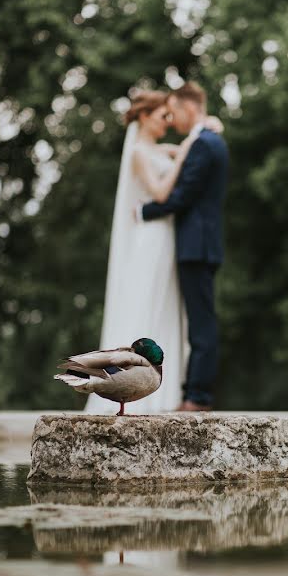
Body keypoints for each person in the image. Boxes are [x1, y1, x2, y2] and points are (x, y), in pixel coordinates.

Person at [84, 90, 190, 414]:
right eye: (162, 117)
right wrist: (181, 160)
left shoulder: (156, 150)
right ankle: (138, 388)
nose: (167, 124)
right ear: (144, 117)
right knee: (146, 302)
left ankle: (164, 389)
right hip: (151, 239)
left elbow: (183, 145)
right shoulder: (139, 154)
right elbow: (158, 193)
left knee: (166, 306)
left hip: (165, 235)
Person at [139, 82, 229, 411]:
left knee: (202, 324)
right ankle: (193, 391)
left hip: (197, 245)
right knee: (199, 321)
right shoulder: (205, 140)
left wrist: (143, 211)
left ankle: (198, 397)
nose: (173, 119)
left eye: (175, 111)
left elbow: (184, 195)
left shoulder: (205, 144)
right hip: (200, 243)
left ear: (190, 109)